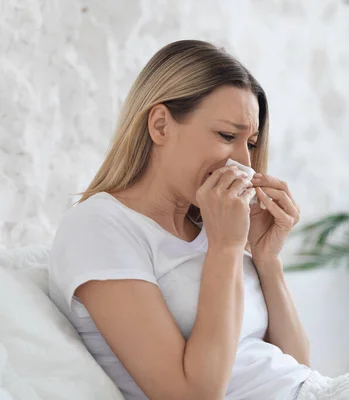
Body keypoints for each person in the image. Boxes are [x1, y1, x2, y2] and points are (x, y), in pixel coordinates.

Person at [49, 40, 313, 400]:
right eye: (226, 136)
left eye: (250, 143)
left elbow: (297, 368)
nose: (245, 164)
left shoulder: (213, 223)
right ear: (160, 126)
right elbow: (191, 396)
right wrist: (226, 249)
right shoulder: (99, 227)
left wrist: (267, 261)